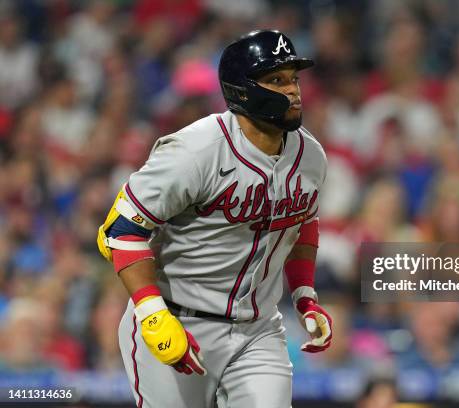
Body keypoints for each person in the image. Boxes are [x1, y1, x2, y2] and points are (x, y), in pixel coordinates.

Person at [96, 30, 332, 408]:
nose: (293, 90)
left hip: (259, 330)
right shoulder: (195, 151)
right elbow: (119, 232)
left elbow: (303, 221)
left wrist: (305, 295)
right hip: (180, 319)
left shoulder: (311, 156)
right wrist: (152, 313)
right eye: (276, 79)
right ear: (241, 90)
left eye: (294, 79)